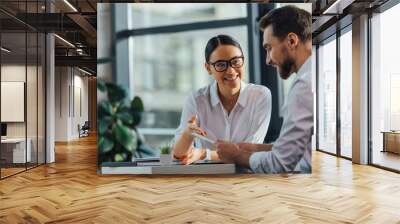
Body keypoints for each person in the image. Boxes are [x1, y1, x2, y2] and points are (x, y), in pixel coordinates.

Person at [215, 6, 313, 173]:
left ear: (291, 41)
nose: (267, 60)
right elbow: (296, 150)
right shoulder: (314, 74)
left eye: (269, 48)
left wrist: (236, 155)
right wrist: (254, 148)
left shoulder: (304, 86)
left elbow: (280, 163)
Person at [173, 34, 272, 165]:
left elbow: (251, 151)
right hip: (206, 180)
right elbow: (178, 155)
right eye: (221, 65)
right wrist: (188, 134)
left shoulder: (260, 95)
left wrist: (204, 154)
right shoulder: (196, 100)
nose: (231, 71)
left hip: (246, 178)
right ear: (208, 68)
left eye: (236, 61)